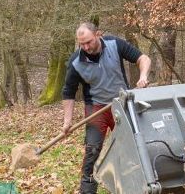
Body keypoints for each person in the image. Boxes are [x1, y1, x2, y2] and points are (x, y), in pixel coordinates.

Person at [61, 22, 151, 194]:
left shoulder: (115, 44)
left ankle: (138, 187)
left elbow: (143, 59)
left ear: (98, 34)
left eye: (88, 42)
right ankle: (87, 191)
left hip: (122, 104)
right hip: (96, 109)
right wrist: (67, 121)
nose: (86, 47)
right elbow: (68, 92)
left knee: (133, 147)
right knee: (92, 150)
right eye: (82, 44)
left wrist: (143, 76)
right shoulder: (75, 62)